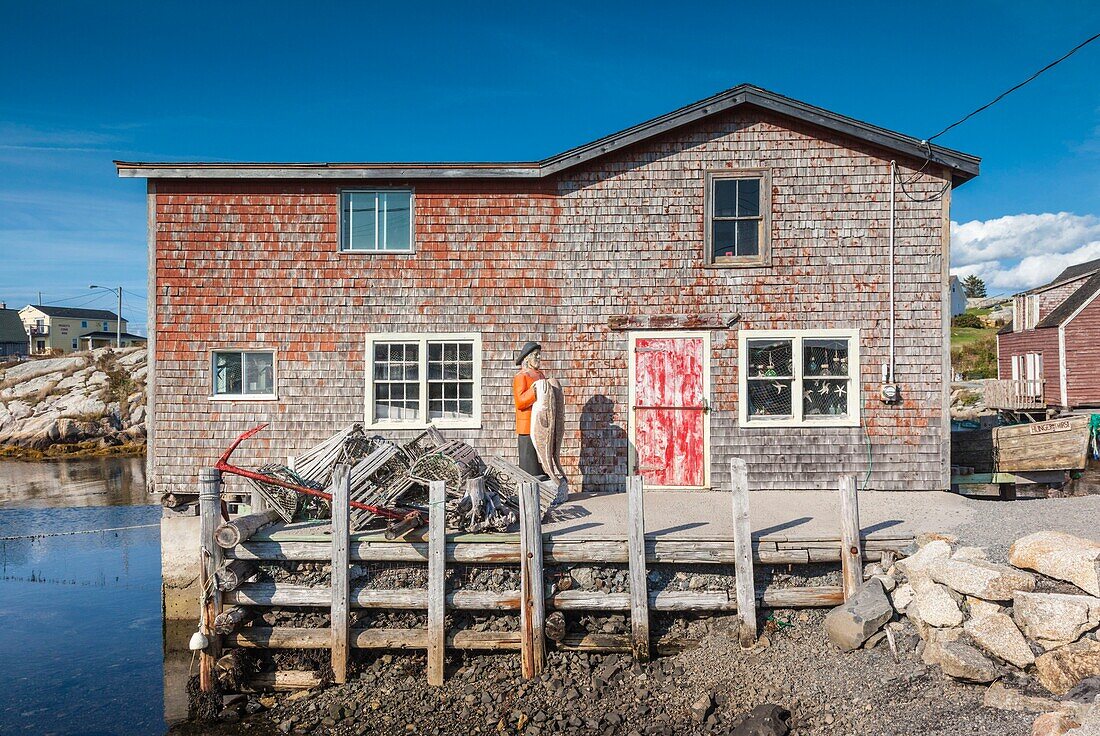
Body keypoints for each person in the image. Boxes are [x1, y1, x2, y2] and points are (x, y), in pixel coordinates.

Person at [512, 341, 548, 479]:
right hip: (527, 426)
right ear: (527, 358)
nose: (538, 358)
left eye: (539, 355)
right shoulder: (521, 376)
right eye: (535, 355)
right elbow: (520, 402)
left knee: (540, 457)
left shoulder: (540, 375)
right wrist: (535, 392)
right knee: (529, 462)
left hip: (540, 424)